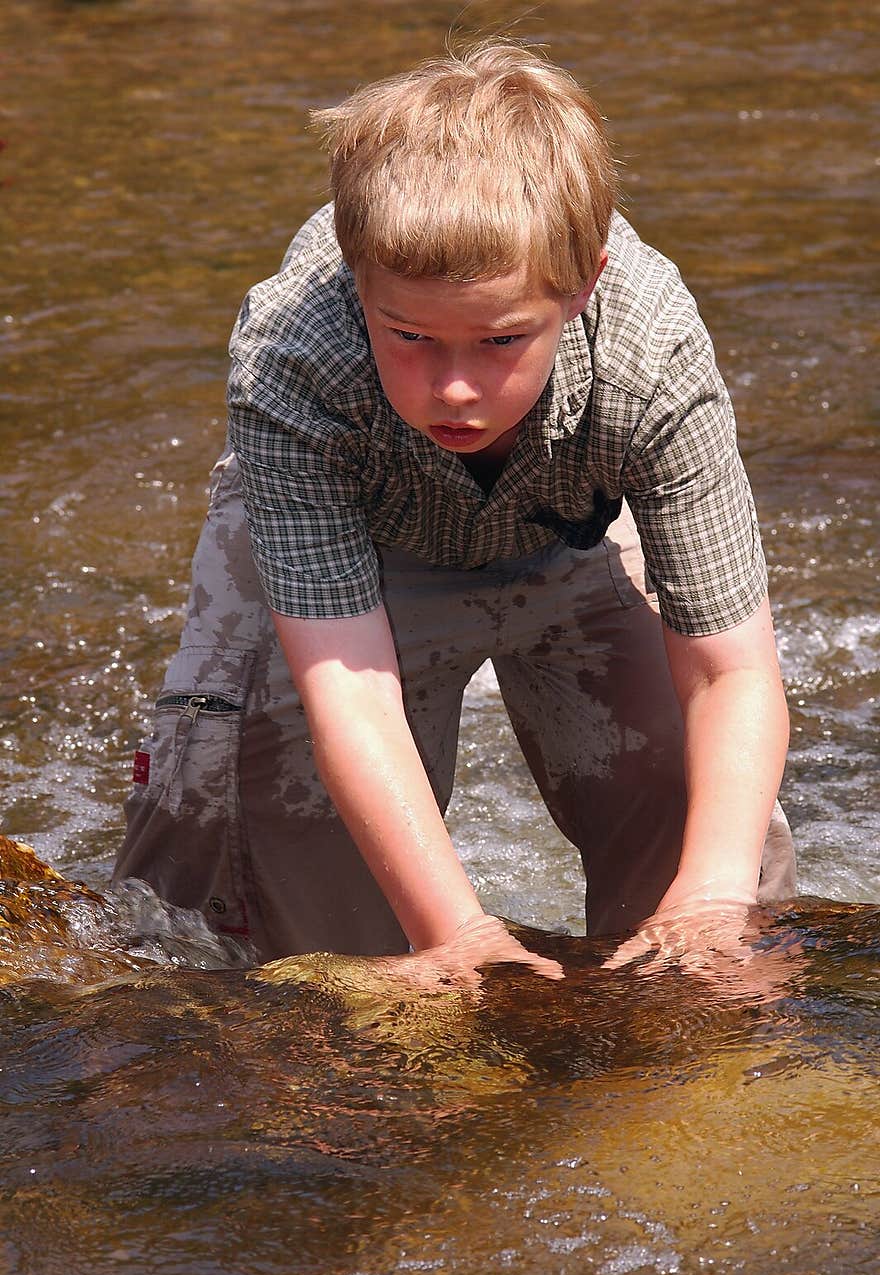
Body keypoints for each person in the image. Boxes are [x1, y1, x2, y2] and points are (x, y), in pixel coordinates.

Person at [112, 38, 797, 991]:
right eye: (411, 337)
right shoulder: (291, 359)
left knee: (708, 842)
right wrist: (456, 933)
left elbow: (731, 672)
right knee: (272, 912)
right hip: (361, 540)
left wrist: (713, 893)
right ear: (358, 279)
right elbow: (348, 690)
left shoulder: (653, 349)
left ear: (584, 285)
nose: (457, 388)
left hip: (572, 522)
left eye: (503, 339)